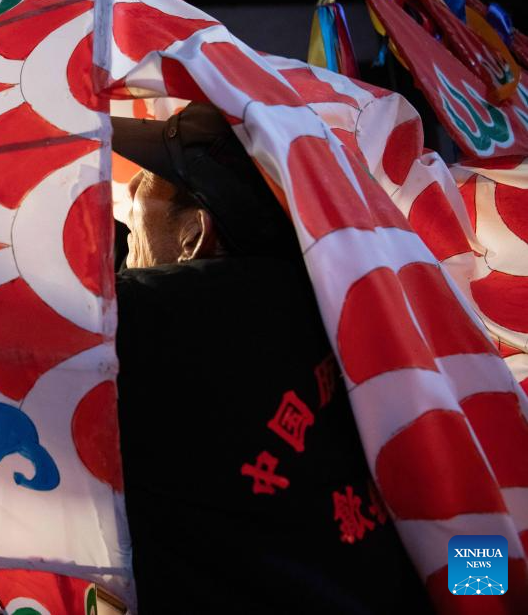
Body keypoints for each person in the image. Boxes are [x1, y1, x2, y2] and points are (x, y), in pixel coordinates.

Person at [111, 104, 432, 613]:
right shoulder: (384, 315)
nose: (126, 195)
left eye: (147, 183)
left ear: (196, 234)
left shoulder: (148, 321)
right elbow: (474, 526)